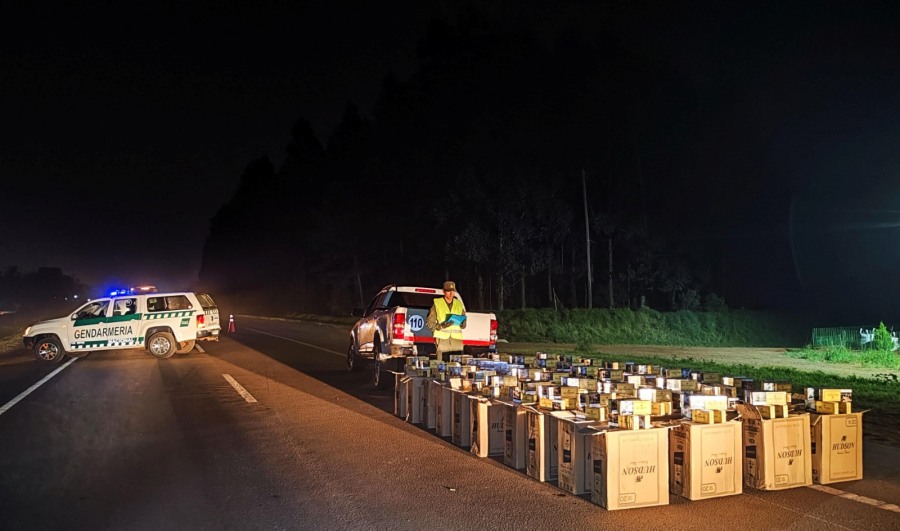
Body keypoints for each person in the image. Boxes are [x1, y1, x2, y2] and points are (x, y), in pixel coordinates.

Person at [426, 280, 467, 362]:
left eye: (453, 291)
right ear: (443, 292)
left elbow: (463, 323)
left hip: (456, 340)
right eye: (448, 291)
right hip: (442, 339)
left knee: (457, 365)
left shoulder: (458, 304)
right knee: (441, 365)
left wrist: (463, 323)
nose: (451, 293)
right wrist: (441, 326)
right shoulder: (437, 304)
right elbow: (429, 323)